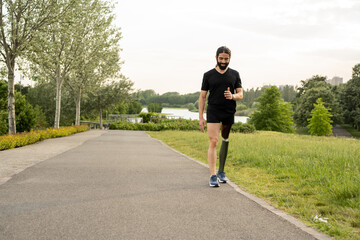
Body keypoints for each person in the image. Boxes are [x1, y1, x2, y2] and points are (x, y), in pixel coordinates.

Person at [199, 46, 243, 187]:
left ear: (229, 59)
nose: (223, 61)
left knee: (225, 140)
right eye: (221, 58)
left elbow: (240, 95)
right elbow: (203, 97)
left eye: (226, 59)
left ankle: (221, 172)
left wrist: (232, 96)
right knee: (214, 141)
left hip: (229, 111)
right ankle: (212, 175)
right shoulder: (208, 75)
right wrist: (201, 117)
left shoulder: (235, 74)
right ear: (216, 58)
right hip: (213, 110)